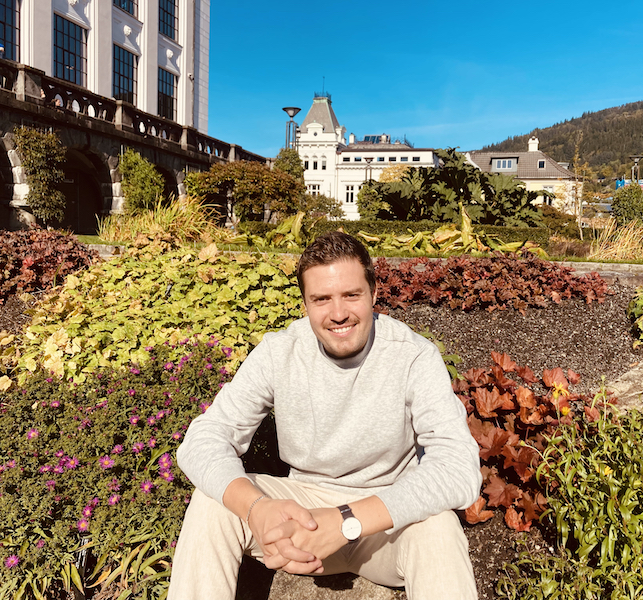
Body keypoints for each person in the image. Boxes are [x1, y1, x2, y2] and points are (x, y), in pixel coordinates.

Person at [168, 231, 481, 600]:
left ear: (374, 293)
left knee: (439, 528)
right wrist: (256, 509)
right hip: (303, 516)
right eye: (321, 299)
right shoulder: (280, 353)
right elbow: (203, 441)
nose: (338, 313)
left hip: (383, 523)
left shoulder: (413, 356)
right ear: (305, 303)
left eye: (351, 295)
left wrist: (346, 521)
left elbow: (459, 469)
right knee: (213, 502)